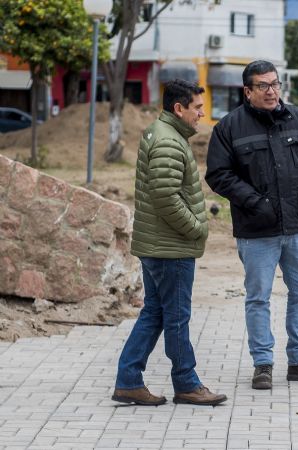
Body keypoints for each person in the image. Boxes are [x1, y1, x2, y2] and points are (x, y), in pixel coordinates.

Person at [205, 60, 298, 390]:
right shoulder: (228, 128)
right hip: (257, 230)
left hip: (297, 225)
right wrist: (256, 203)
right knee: (258, 297)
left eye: (275, 84)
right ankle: (263, 364)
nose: (271, 91)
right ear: (248, 91)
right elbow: (218, 175)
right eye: (263, 86)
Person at [112, 79, 227, 406]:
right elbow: (165, 196)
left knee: (155, 313)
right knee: (176, 316)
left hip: (158, 244)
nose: (201, 115)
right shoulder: (167, 141)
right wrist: (196, 228)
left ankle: (128, 380)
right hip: (170, 247)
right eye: (197, 108)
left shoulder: (163, 134)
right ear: (179, 108)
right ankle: (187, 383)